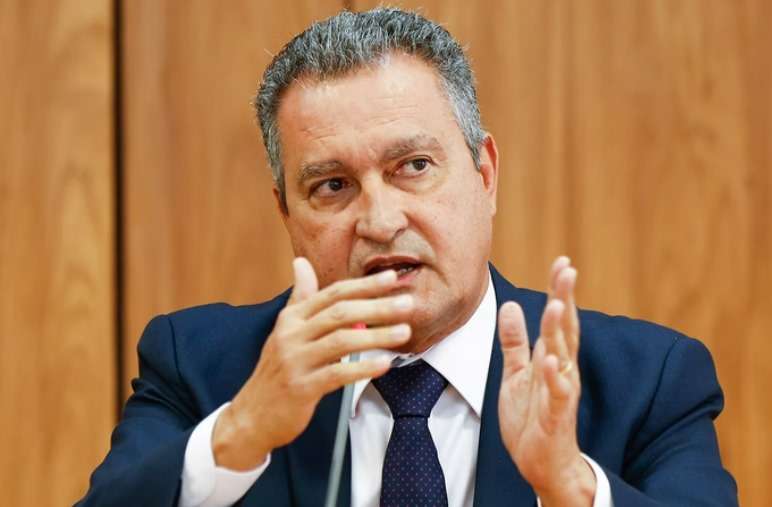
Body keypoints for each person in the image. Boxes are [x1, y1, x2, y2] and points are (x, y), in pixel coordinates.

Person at [78, 7, 737, 507]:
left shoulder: (647, 382)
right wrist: (241, 431)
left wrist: (569, 486)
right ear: (286, 213)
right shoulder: (201, 368)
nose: (380, 220)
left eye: (413, 166)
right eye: (332, 186)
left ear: (485, 174)